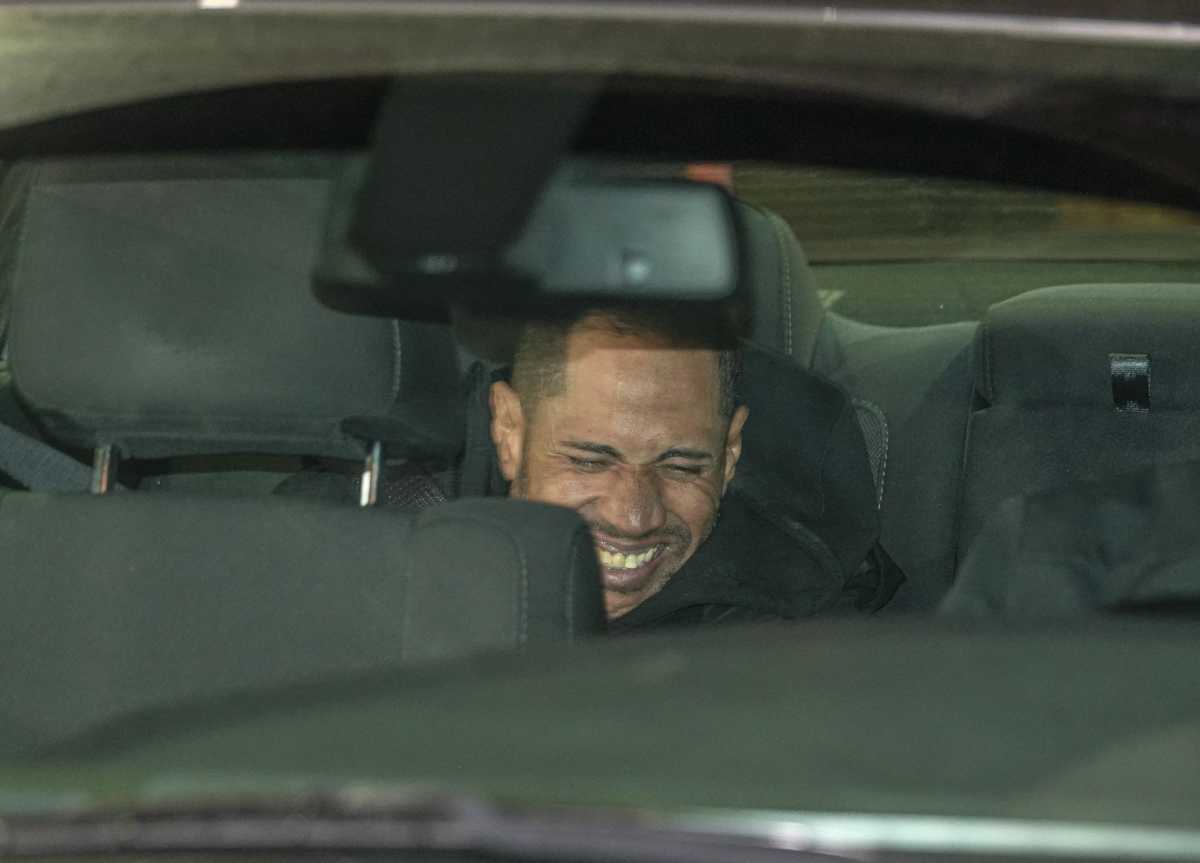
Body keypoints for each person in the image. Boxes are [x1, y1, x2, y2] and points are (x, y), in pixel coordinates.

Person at [488, 305, 902, 628]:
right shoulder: (428, 559)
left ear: (730, 453)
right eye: (591, 461)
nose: (634, 518)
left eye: (681, 468)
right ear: (510, 430)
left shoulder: (781, 655)